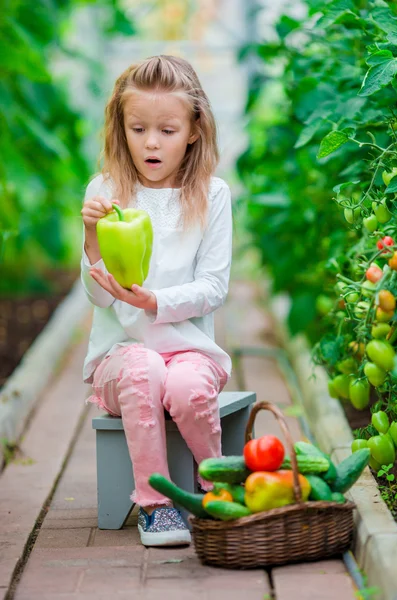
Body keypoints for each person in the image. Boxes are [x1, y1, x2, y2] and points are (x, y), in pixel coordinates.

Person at [80, 55, 232, 547]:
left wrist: (155, 302)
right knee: (145, 367)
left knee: (187, 386)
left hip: (189, 348)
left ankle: (215, 491)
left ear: (193, 130)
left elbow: (213, 287)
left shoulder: (211, 194)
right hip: (118, 359)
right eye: (138, 128)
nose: (150, 142)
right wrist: (91, 237)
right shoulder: (106, 191)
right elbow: (97, 299)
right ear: (120, 128)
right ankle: (155, 505)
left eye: (166, 130)